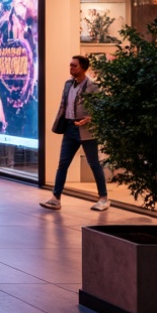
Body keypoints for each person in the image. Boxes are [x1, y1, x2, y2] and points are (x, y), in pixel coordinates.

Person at [41, 55, 109, 212]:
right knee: (63, 164)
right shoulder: (68, 84)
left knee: (93, 163)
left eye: (74, 66)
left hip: (87, 130)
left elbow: (102, 107)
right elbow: (63, 106)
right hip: (70, 128)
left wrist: (90, 118)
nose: (71, 68)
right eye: (70, 65)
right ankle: (55, 199)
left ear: (83, 68)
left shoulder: (93, 86)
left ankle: (103, 198)